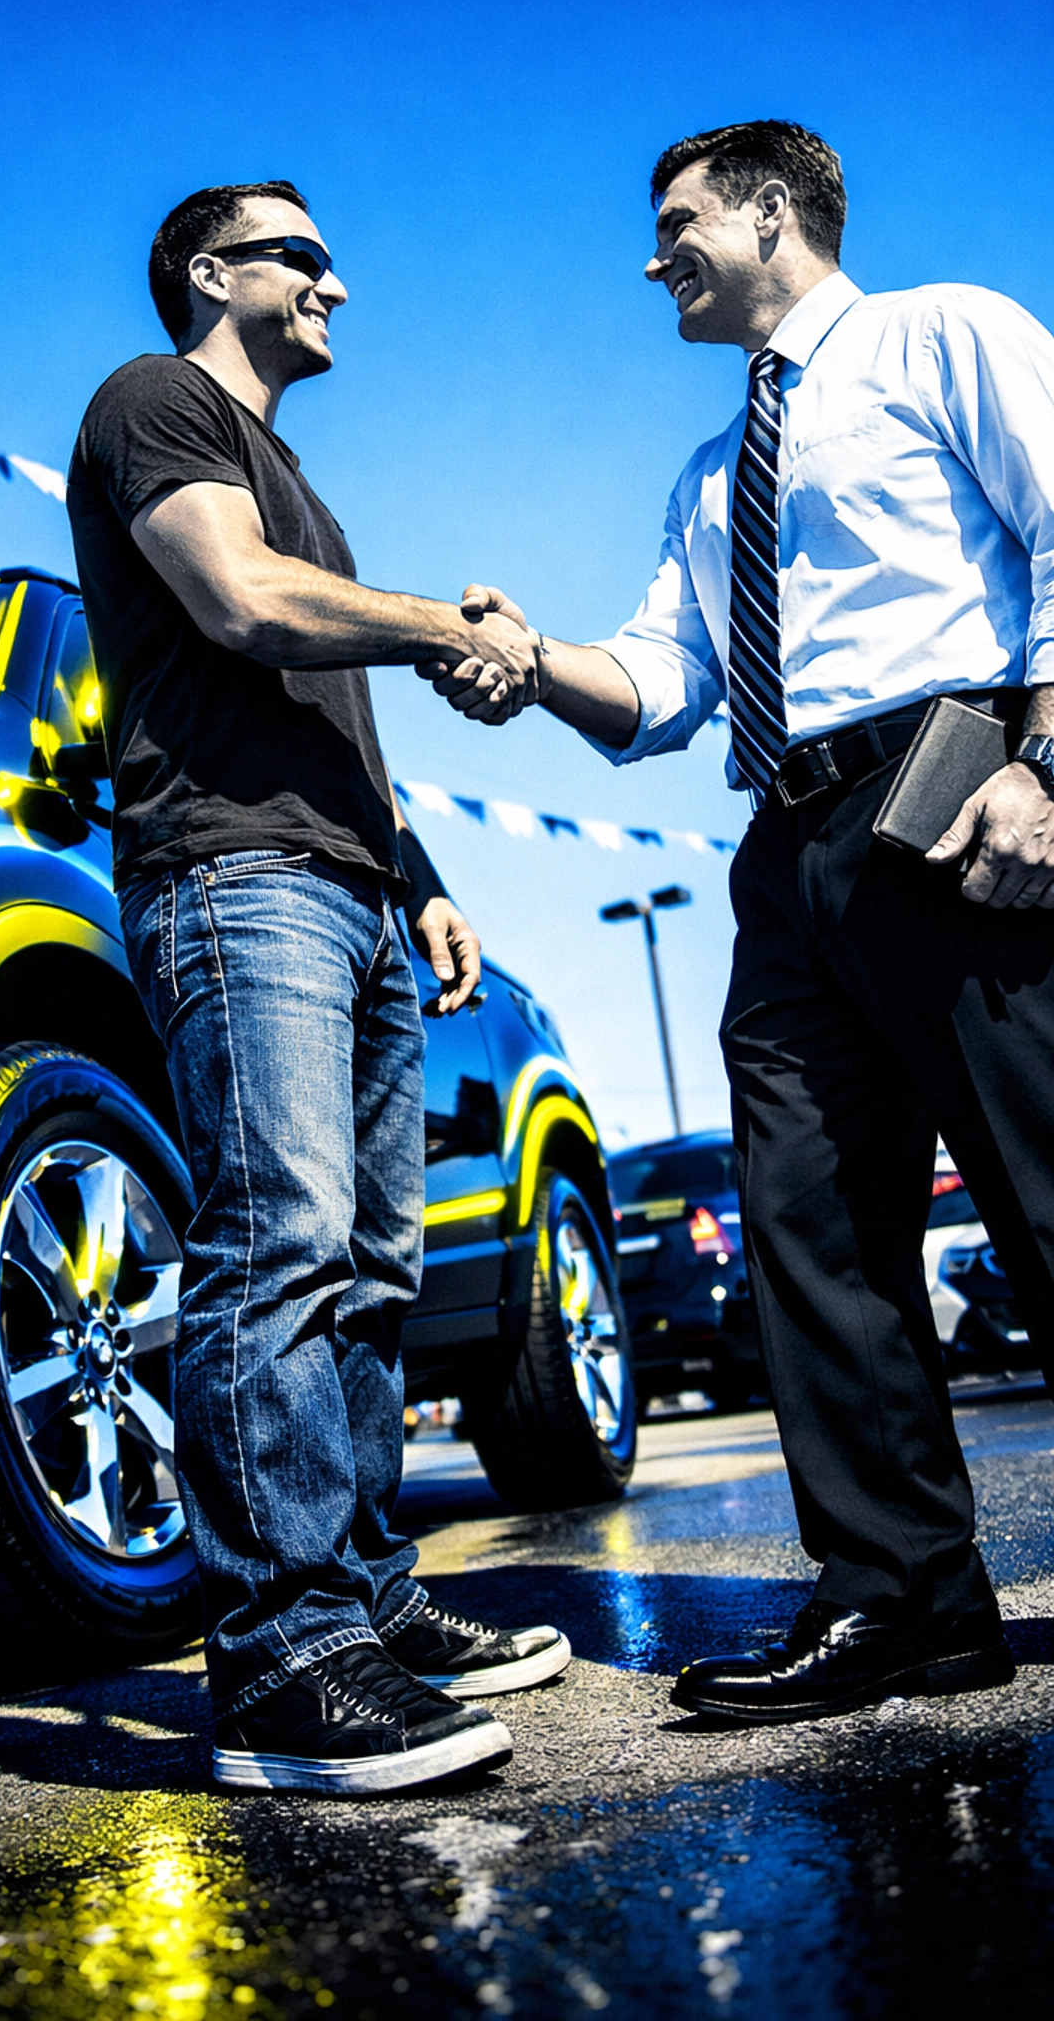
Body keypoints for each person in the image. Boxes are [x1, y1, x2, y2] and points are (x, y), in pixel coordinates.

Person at [430, 119, 1054, 1723]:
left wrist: (1047, 765)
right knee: (812, 1234)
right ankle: (906, 1600)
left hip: (958, 797)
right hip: (787, 860)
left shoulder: (943, 335)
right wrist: (521, 655)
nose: (656, 260)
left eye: (678, 223)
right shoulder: (709, 479)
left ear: (773, 211)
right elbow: (656, 686)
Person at [65, 179, 572, 1793]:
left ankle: (365, 1606)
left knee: (367, 1269)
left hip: (347, 895)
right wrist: (444, 627)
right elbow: (241, 601)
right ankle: (283, 1658)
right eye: (304, 254)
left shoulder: (299, 476)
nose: (337, 281)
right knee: (275, 1243)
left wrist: (417, 881)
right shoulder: (158, 403)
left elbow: (322, 714)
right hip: (235, 880)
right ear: (214, 273)